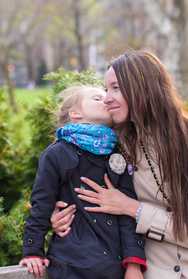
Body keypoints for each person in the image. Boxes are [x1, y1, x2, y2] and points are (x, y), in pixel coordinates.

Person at [50, 50, 188, 278]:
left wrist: (130, 207)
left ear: (144, 88)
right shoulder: (111, 141)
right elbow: (71, 183)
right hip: (147, 270)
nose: (107, 98)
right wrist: (62, 219)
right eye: (106, 89)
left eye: (116, 88)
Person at [19, 84, 146, 278]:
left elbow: (127, 217)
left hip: (114, 267)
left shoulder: (118, 155)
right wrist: (32, 251)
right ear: (75, 113)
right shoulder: (57, 154)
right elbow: (41, 205)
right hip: (69, 265)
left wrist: (133, 264)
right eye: (97, 98)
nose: (106, 100)